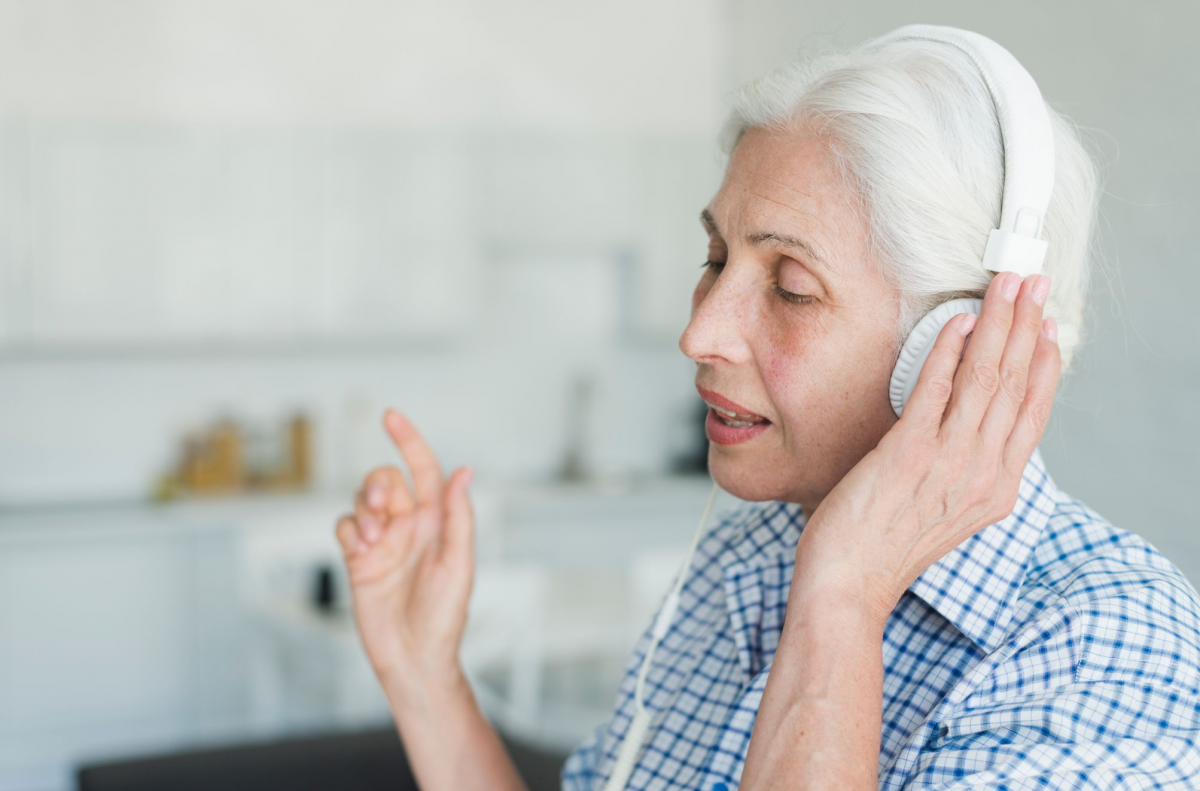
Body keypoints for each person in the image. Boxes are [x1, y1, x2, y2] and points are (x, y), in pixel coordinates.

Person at [334, 26, 1200, 790]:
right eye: (715, 259)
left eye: (791, 287)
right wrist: (426, 676)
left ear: (963, 346)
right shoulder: (743, 562)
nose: (699, 332)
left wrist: (843, 598)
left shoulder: (1105, 644)